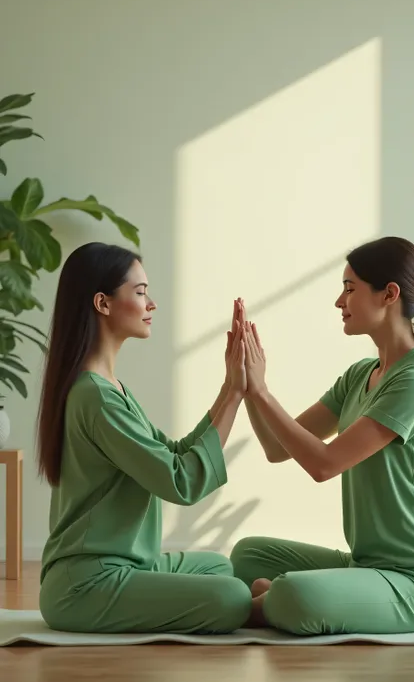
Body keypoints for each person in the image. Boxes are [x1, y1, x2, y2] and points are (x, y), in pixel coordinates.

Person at [230, 236, 414, 636]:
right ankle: (278, 598)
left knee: (296, 597)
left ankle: (277, 601)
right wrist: (247, 386)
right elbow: (276, 448)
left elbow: (323, 464)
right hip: (365, 566)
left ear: (389, 294)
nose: (339, 302)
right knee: (248, 555)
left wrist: (264, 392)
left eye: (349, 289)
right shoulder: (360, 376)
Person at [36, 242, 252, 634]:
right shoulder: (96, 397)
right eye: (140, 293)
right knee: (231, 597)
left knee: (219, 566)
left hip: (130, 564)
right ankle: (256, 608)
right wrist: (236, 397)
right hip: (86, 585)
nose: (151, 304)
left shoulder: (110, 388)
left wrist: (229, 387)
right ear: (102, 303)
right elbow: (180, 480)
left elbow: (172, 455)